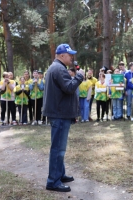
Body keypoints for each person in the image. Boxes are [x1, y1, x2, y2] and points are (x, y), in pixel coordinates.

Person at [43, 43, 83, 192]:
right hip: (59, 114)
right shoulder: (59, 69)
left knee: (60, 147)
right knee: (58, 149)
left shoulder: (57, 68)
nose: (71, 57)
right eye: (69, 55)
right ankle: (53, 181)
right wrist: (79, 77)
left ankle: (60, 174)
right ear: (61, 55)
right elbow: (69, 88)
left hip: (59, 113)